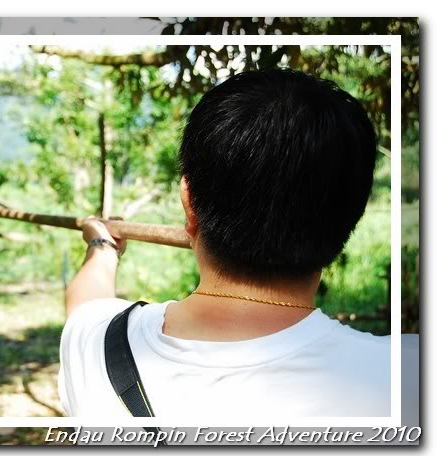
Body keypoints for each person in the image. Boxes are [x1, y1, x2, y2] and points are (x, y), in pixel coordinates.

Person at [58, 68, 418, 421]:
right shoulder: (408, 381)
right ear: (352, 211)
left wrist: (102, 242)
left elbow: (86, 302)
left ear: (188, 199)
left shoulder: (99, 346)